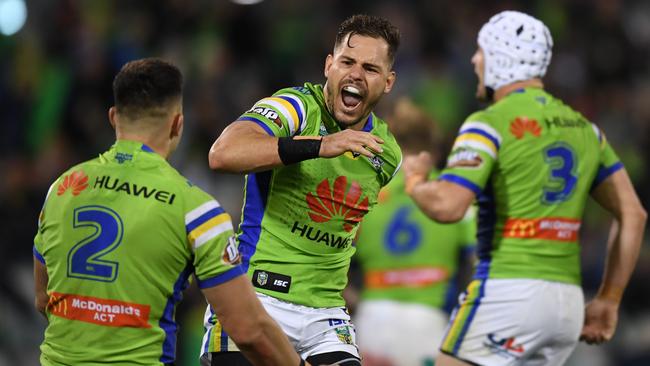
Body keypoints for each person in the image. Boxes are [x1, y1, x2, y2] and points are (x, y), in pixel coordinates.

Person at [402, 10, 647, 366]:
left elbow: (448, 206)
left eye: (481, 51)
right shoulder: (586, 129)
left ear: (501, 58)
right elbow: (633, 214)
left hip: (507, 292)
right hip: (566, 306)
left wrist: (415, 181)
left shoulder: (488, 123)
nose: (474, 61)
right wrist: (609, 299)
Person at [33, 58, 303, 366]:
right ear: (178, 124)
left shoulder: (62, 189)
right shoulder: (196, 211)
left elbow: (44, 299)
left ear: (113, 118)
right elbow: (248, 330)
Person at [200, 14, 402, 366]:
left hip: (324, 316)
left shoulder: (386, 155)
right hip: (256, 297)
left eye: (370, 68)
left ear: (388, 82)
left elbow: (346, 227)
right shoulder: (296, 107)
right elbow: (223, 154)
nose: (355, 74)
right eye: (347, 62)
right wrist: (320, 145)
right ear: (329, 66)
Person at [349, 97, 476, 366]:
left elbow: (329, 262)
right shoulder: (453, 195)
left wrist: (355, 303)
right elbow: (479, 264)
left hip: (371, 320)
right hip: (428, 322)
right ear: (434, 150)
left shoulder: (366, 194)